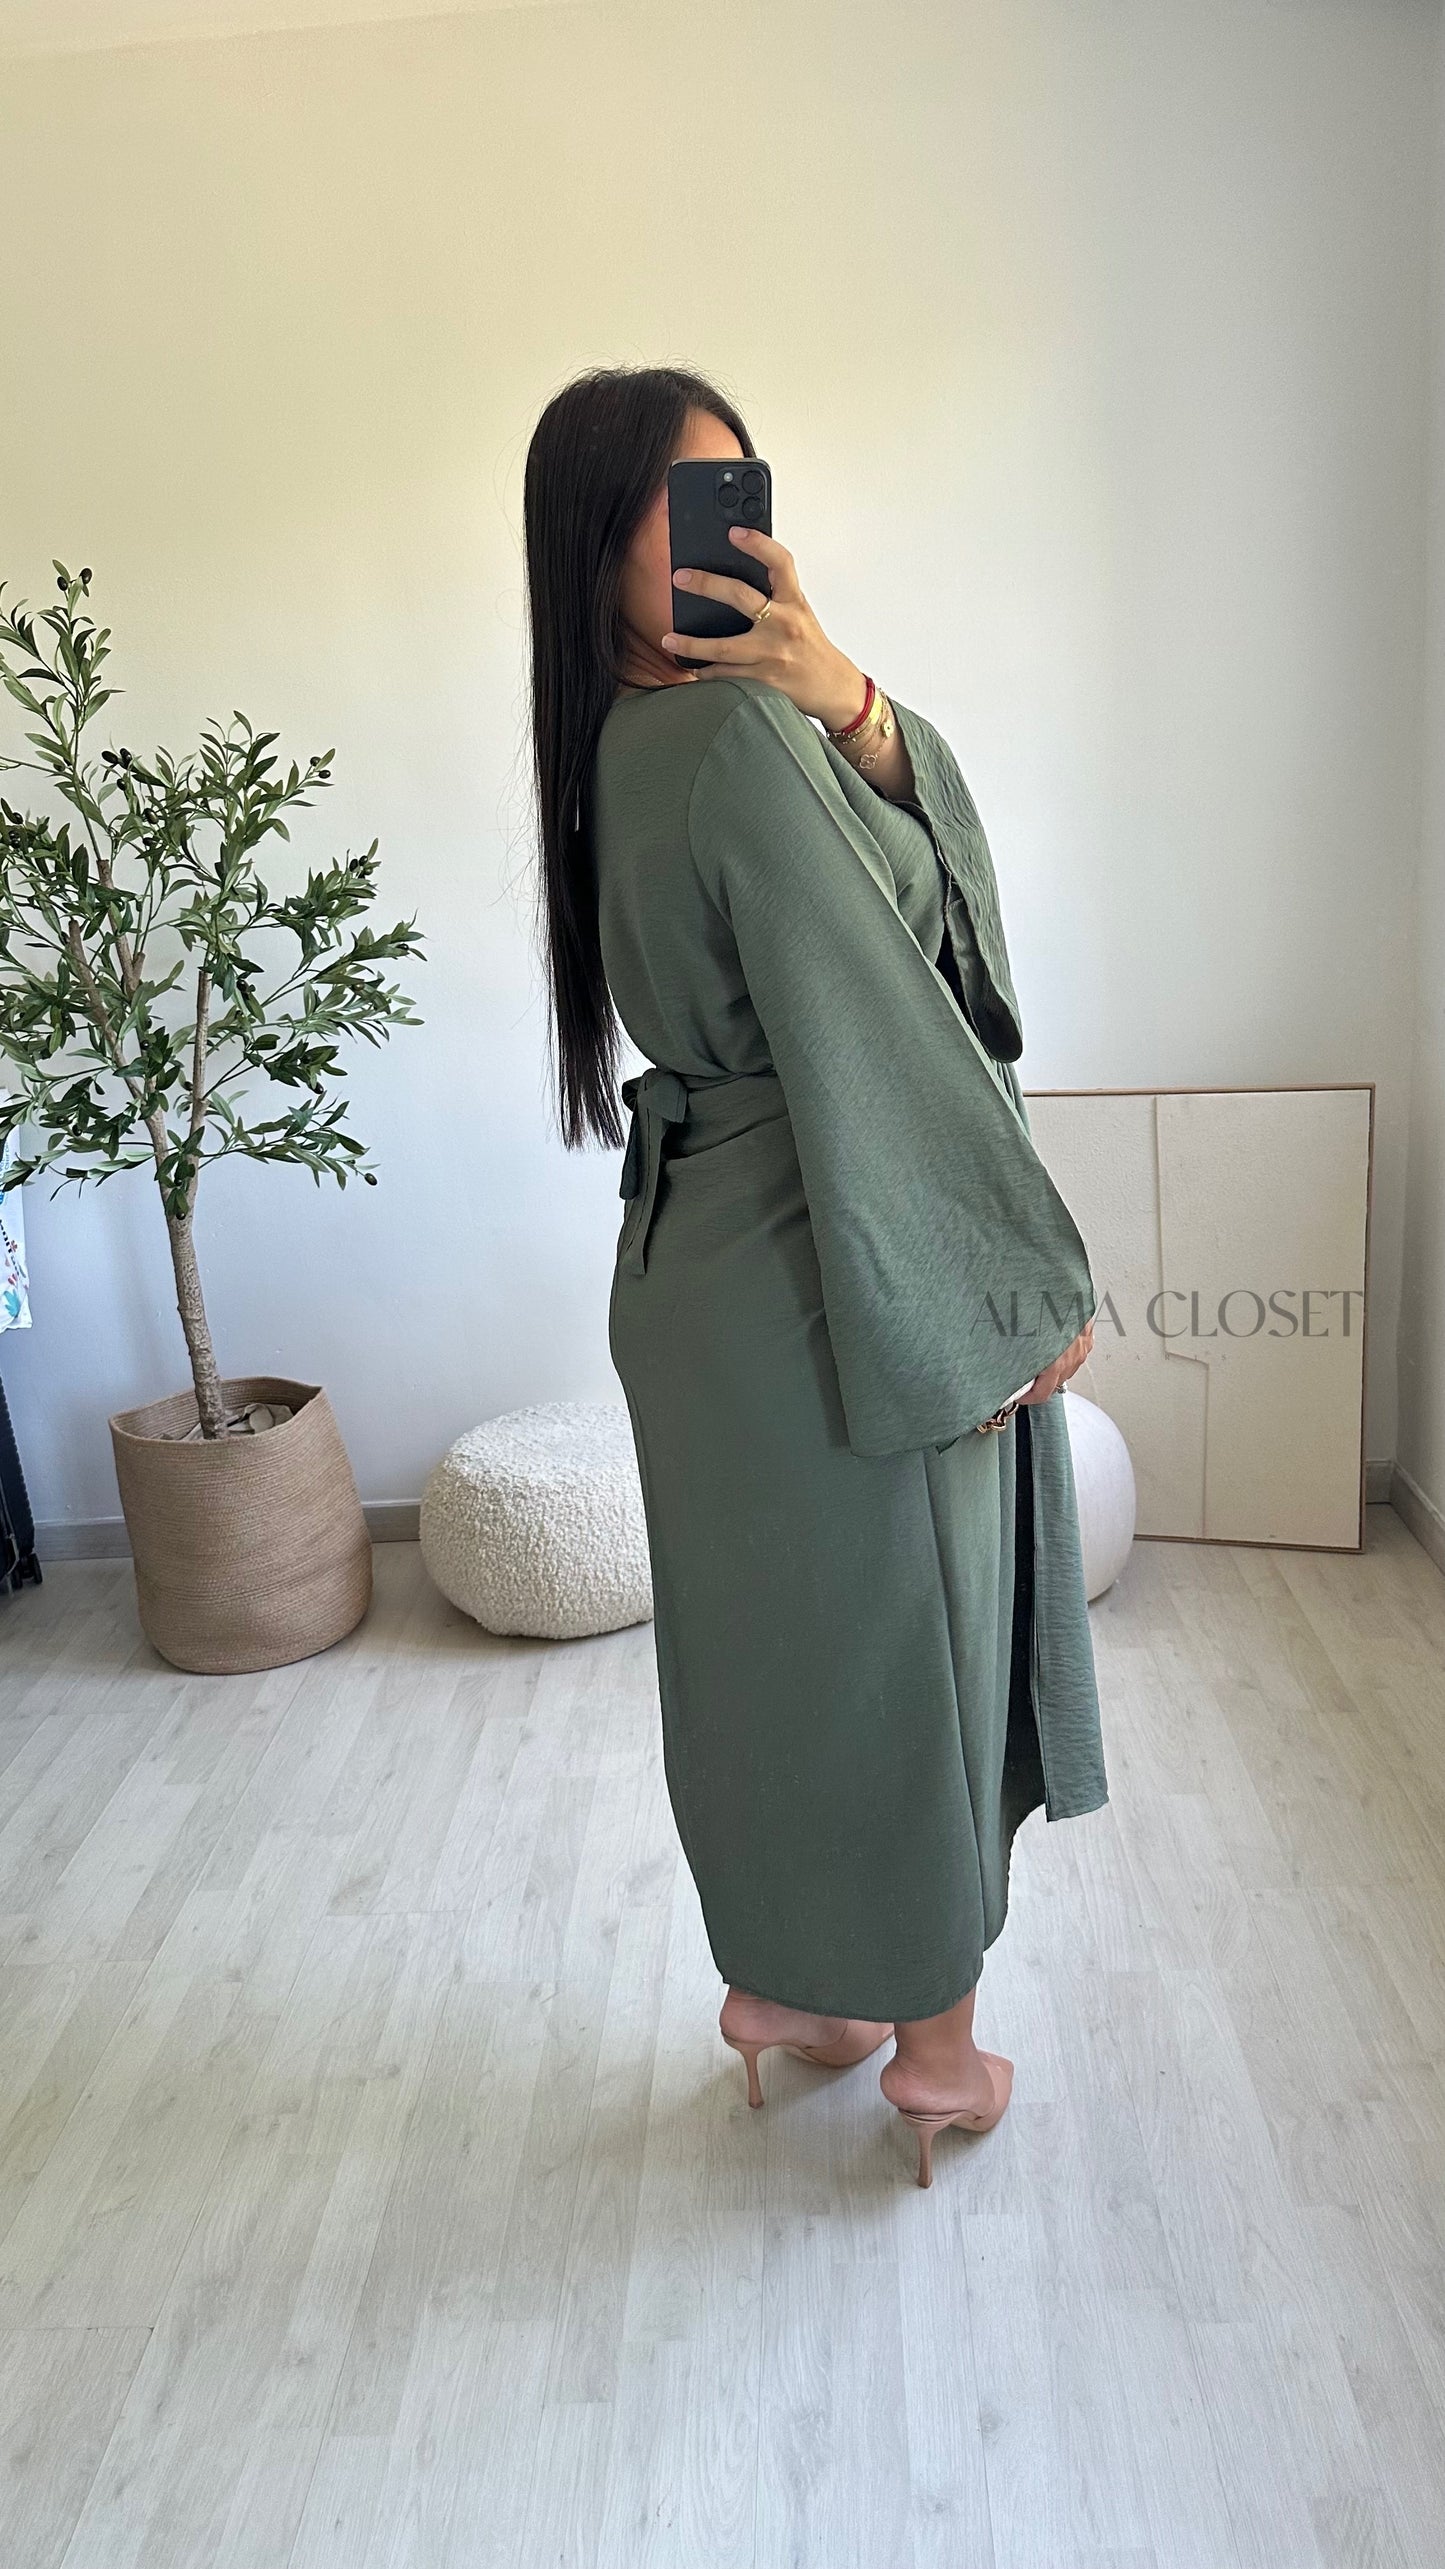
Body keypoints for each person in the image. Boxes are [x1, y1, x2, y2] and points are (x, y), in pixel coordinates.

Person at [522, 364, 1105, 2188]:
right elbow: (888, 1005)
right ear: (597, 543)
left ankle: (791, 1986)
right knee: (904, 1652)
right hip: (836, 1252)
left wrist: (841, 698)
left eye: (740, 488)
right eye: (681, 501)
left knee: (766, 1649)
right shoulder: (733, 740)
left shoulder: (616, 748)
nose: (733, 530)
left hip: (694, 1268)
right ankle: (932, 2047)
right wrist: (1011, 1288)